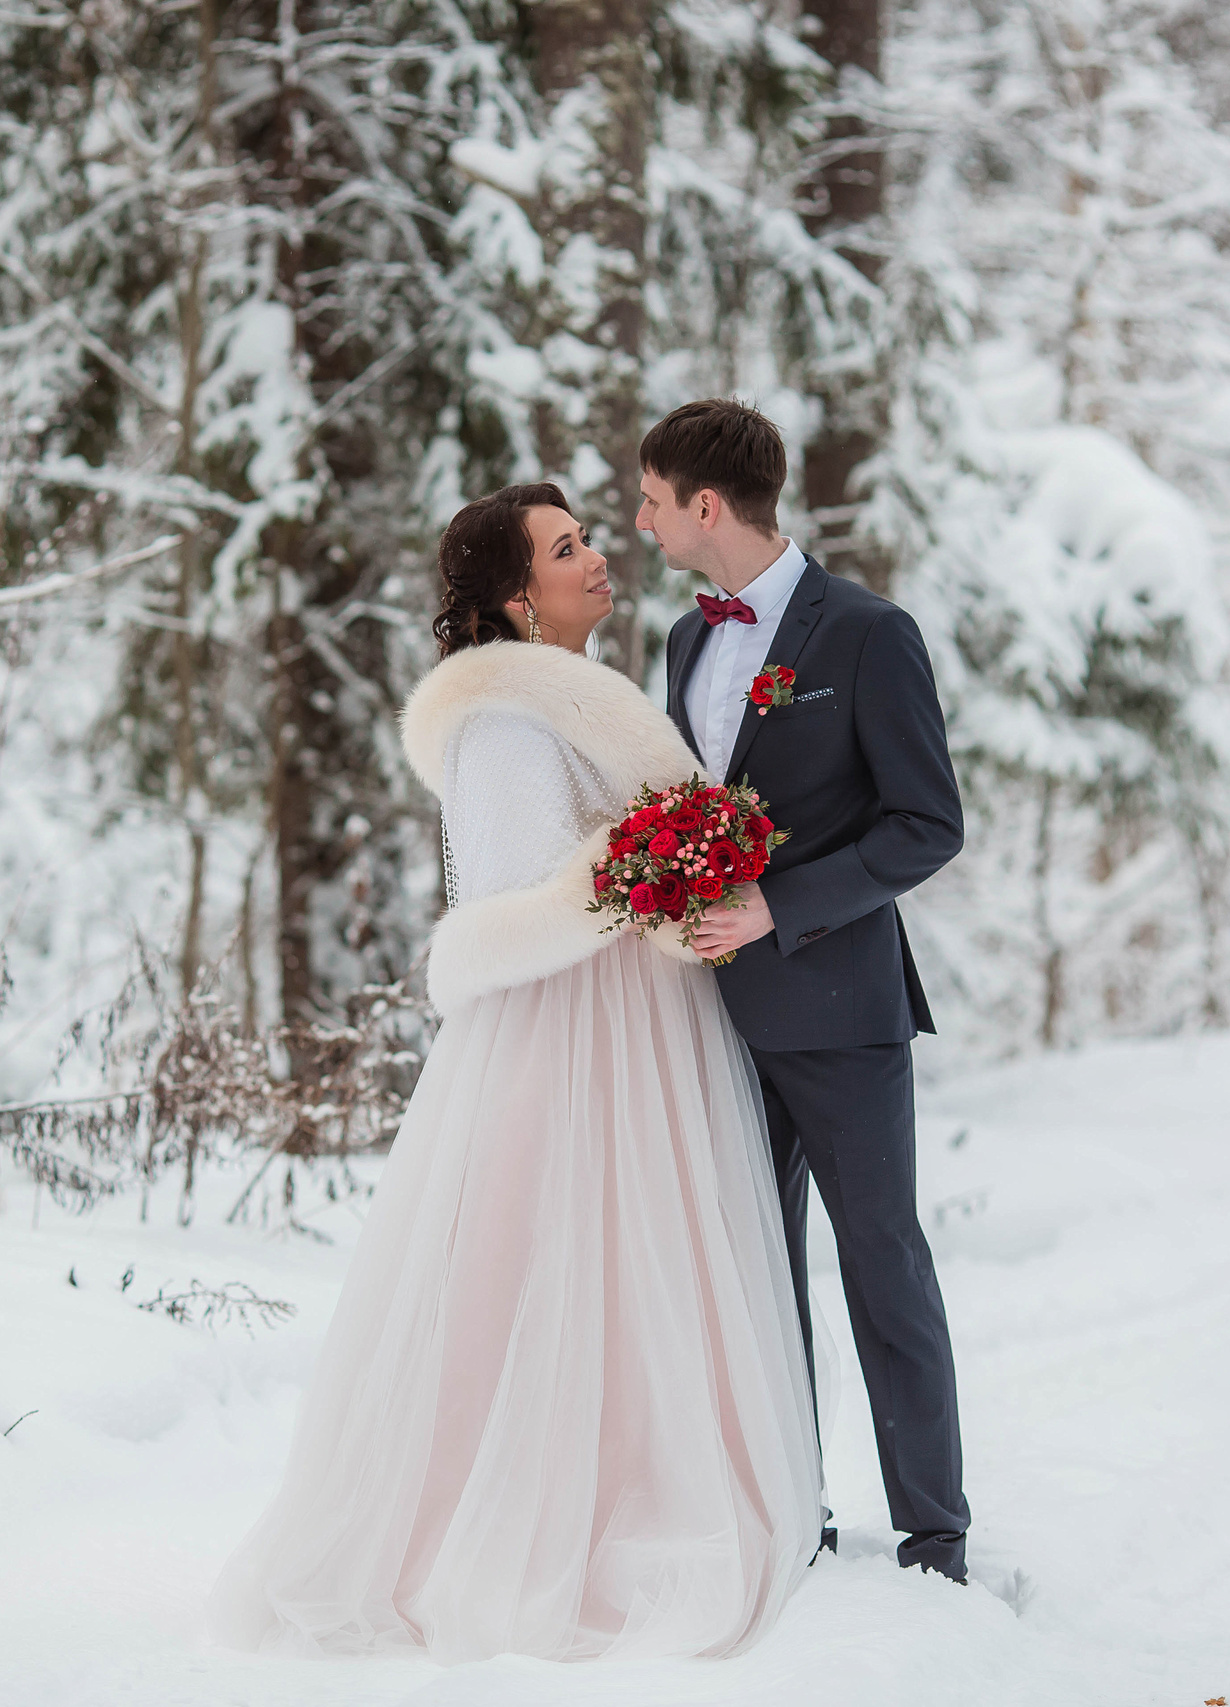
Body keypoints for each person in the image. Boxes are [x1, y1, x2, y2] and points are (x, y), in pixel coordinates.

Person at [208, 483, 821, 1662]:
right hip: (561, 1030)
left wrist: (670, 859)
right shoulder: (502, 720)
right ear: (513, 597)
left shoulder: (585, 702)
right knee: (538, 1265)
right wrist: (648, 859)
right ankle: (503, 1530)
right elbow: (510, 905)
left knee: (634, 1268)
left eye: (589, 537)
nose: (596, 557)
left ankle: (635, 1490)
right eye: (566, 547)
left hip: (640, 1024)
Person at [640, 398, 972, 1582]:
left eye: (650, 500)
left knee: (881, 1262)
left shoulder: (870, 635)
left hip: (842, 1016)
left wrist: (782, 904)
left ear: (705, 506)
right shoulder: (683, 643)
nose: (640, 522)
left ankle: (935, 1535)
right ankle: (795, 1513)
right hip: (715, 1020)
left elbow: (928, 827)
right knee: (757, 1271)